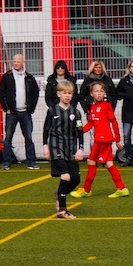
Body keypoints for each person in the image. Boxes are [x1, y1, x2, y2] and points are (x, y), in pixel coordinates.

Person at [71, 81, 129, 199]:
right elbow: (91, 123)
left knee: (91, 161)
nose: (99, 94)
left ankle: (86, 190)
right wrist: (79, 131)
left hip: (103, 140)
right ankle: (122, 188)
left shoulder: (106, 106)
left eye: (101, 91)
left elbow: (114, 122)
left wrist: (118, 139)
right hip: (103, 140)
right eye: (96, 91)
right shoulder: (93, 107)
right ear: (91, 94)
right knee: (109, 164)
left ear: (104, 93)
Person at [42, 81, 84, 219]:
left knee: (76, 179)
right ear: (58, 94)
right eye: (64, 93)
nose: (67, 96)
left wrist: (80, 149)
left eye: (69, 93)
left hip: (70, 149)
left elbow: (80, 131)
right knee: (65, 176)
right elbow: (46, 129)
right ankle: (62, 211)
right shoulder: (52, 111)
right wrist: (45, 146)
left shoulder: (76, 112)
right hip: (56, 147)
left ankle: (60, 193)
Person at [0, 54, 40, 170]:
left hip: (25, 112)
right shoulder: (7, 76)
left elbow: (35, 93)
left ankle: (31, 162)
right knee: (8, 138)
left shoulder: (29, 77)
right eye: (14, 61)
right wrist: (6, 109)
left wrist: (31, 108)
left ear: (23, 62)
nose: (16, 63)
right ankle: (6, 163)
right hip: (12, 113)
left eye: (18, 61)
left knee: (28, 137)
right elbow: (1, 93)